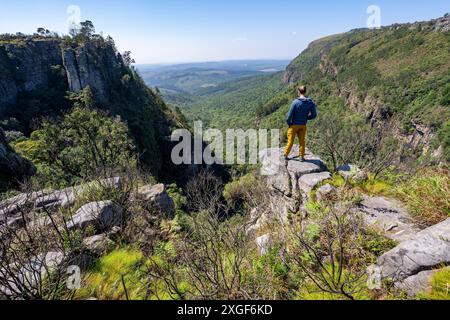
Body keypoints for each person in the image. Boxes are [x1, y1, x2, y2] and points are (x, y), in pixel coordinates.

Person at [284, 85, 318, 162]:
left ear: (298, 92)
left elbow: (289, 116)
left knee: (290, 141)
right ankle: (301, 157)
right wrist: (306, 118)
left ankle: (285, 155)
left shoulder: (295, 102)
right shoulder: (310, 103)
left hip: (294, 125)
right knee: (302, 141)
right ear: (305, 92)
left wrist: (289, 123)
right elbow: (314, 115)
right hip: (303, 125)